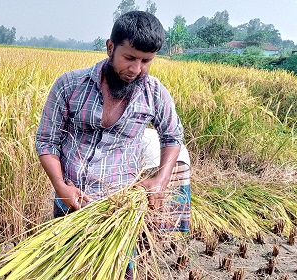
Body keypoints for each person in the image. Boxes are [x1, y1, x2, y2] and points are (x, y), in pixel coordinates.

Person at [35, 10, 190, 279]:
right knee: (66, 269)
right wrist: (60, 186)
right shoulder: (69, 85)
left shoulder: (154, 92)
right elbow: (47, 141)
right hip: (73, 201)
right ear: (110, 47)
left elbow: (173, 136)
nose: (136, 69)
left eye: (146, 61)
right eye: (129, 58)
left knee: (118, 270)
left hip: (120, 208)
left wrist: (160, 180)